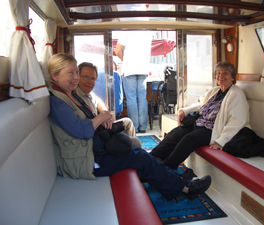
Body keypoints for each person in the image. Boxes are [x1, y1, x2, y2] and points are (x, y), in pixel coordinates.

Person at [47, 53, 211, 201]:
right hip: (85, 162)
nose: (75, 77)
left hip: (93, 151)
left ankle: (176, 179)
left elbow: (92, 108)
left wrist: (103, 115)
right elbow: (83, 131)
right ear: (54, 76)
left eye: (76, 72)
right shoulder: (58, 102)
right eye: (71, 73)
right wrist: (102, 116)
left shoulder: (71, 95)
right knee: (139, 157)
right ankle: (186, 188)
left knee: (138, 152)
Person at [150, 61, 250, 170]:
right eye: (218, 73)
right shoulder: (215, 91)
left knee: (189, 139)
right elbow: (201, 105)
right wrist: (184, 111)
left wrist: (221, 141)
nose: (220, 76)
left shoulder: (236, 93)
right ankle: (151, 159)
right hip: (198, 124)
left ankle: (165, 169)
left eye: (225, 73)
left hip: (211, 130)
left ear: (232, 77)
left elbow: (237, 121)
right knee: (175, 133)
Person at [76, 62, 139, 146]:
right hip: (97, 136)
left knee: (127, 122)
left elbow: (97, 100)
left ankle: (128, 151)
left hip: (103, 127)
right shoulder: (76, 95)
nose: (89, 82)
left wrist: (105, 114)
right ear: (77, 77)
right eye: (86, 77)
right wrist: (102, 118)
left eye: (93, 79)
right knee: (136, 142)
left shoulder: (88, 94)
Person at [115, 31, 152, 133]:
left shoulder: (126, 31)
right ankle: (143, 127)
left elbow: (117, 51)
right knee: (142, 98)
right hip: (143, 69)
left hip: (130, 69)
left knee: (131, 98)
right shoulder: (147, 33)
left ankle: (134, 127)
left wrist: (126, 61)